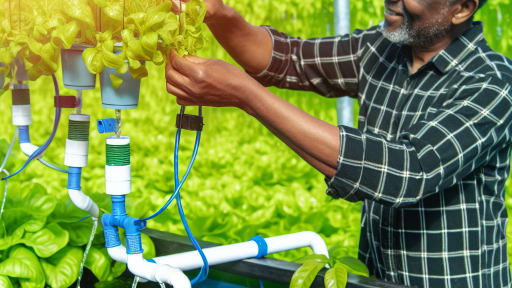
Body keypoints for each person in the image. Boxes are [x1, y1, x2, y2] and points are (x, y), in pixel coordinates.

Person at [165, 0, 512, 286]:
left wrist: (245, 94)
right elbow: (289, 59)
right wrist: (217, 13)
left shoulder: (493, 83)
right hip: (377, 276)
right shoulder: (381, 49)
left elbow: (407, 171)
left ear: (462, 8)